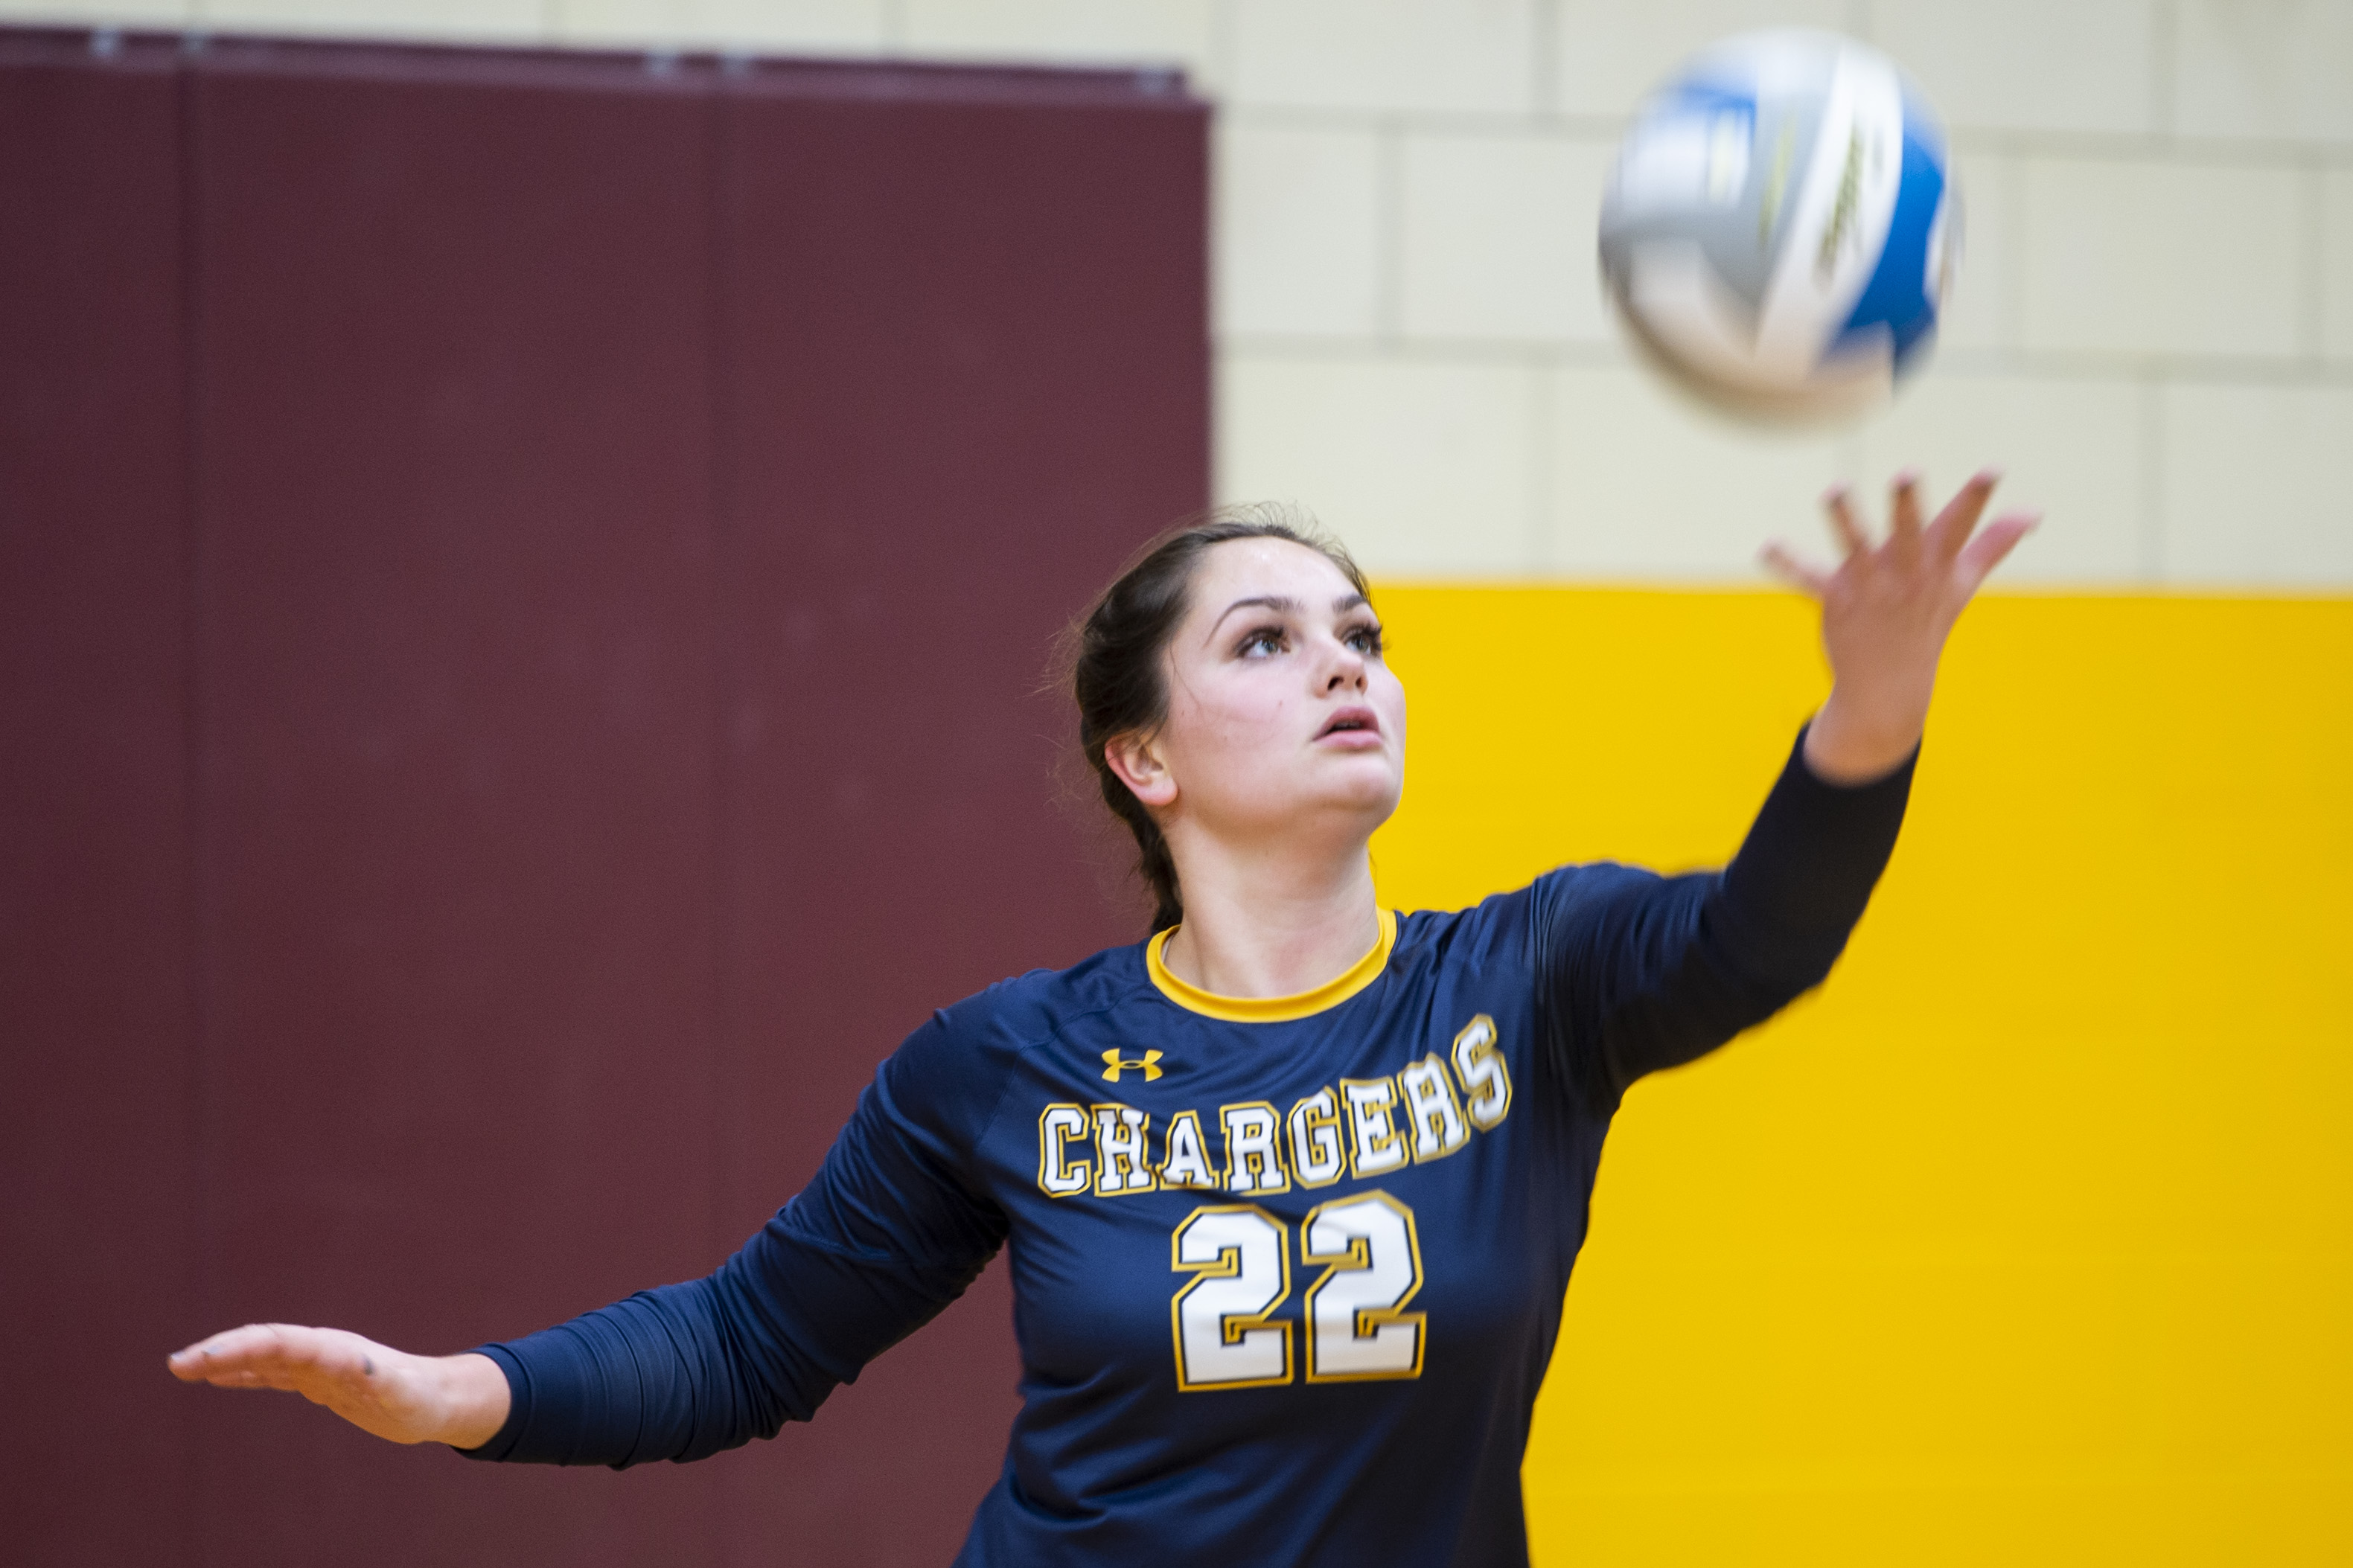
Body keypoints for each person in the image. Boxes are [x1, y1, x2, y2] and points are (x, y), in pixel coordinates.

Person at [170, 476, 2032, 1566]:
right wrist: (450, 1398)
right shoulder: (1005, 1062)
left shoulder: (1529, 978)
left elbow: (1757, 939)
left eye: (1364, 632)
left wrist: (1866, 721)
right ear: (1141, 755)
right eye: (1269, 641)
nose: (1346, 663)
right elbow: (749, 1341)